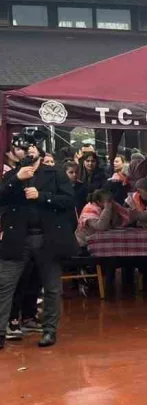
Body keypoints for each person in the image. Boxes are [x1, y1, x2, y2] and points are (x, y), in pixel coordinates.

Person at [0, 148, 77, 347]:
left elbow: (69, 200)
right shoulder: (11, 175)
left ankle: (49, 330)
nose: (27, 151)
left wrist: (42, 196)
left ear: (40, 154)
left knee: (52, 287)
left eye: (32, 148)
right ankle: (1, 331)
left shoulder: (56, 173)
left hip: (47, 238)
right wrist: (17, 178)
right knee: (5, 285)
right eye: (22, 148)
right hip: (18, 239)